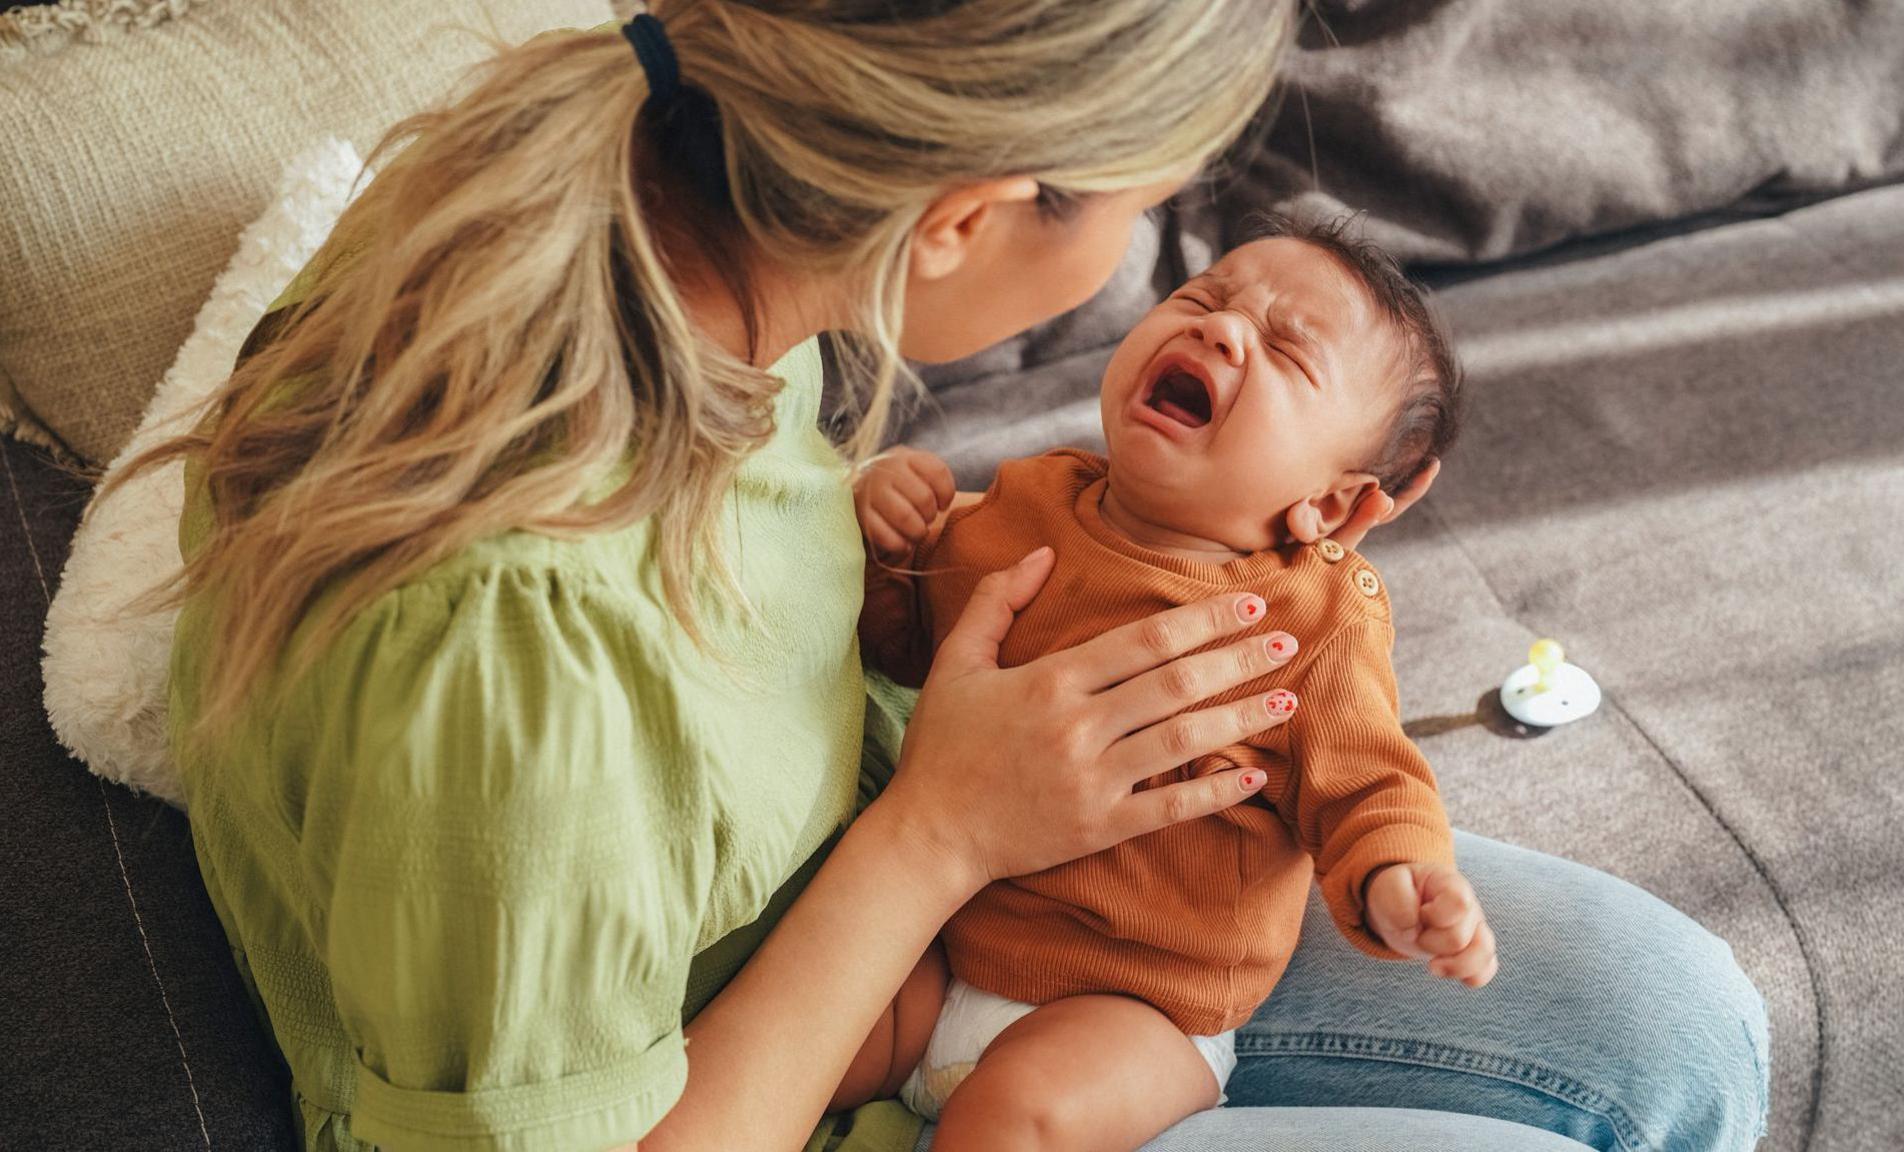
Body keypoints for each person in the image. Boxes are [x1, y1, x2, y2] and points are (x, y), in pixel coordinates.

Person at [104, 3, 1770, 1150]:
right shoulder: (515, 671)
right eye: (1155, 220)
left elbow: (742, 595)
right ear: (967, 218)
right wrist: (946, 830)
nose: (1160, 283)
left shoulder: (661, 193)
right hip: (808, 1030)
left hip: (988, 868)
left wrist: (860, 531)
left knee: (1679, 1019)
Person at [845, 217, 1490, 1151]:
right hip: (944, 944)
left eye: (1285, 350)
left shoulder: (1315, 619)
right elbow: (907, 654)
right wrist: (888, 543)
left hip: (1136, 1004)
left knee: (1012, 1117)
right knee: (821, 1029)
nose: (1220, 332)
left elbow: (1370, 781)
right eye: (1202, 298)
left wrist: (1402, 875)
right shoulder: (1028, 501)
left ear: (1334, 504)